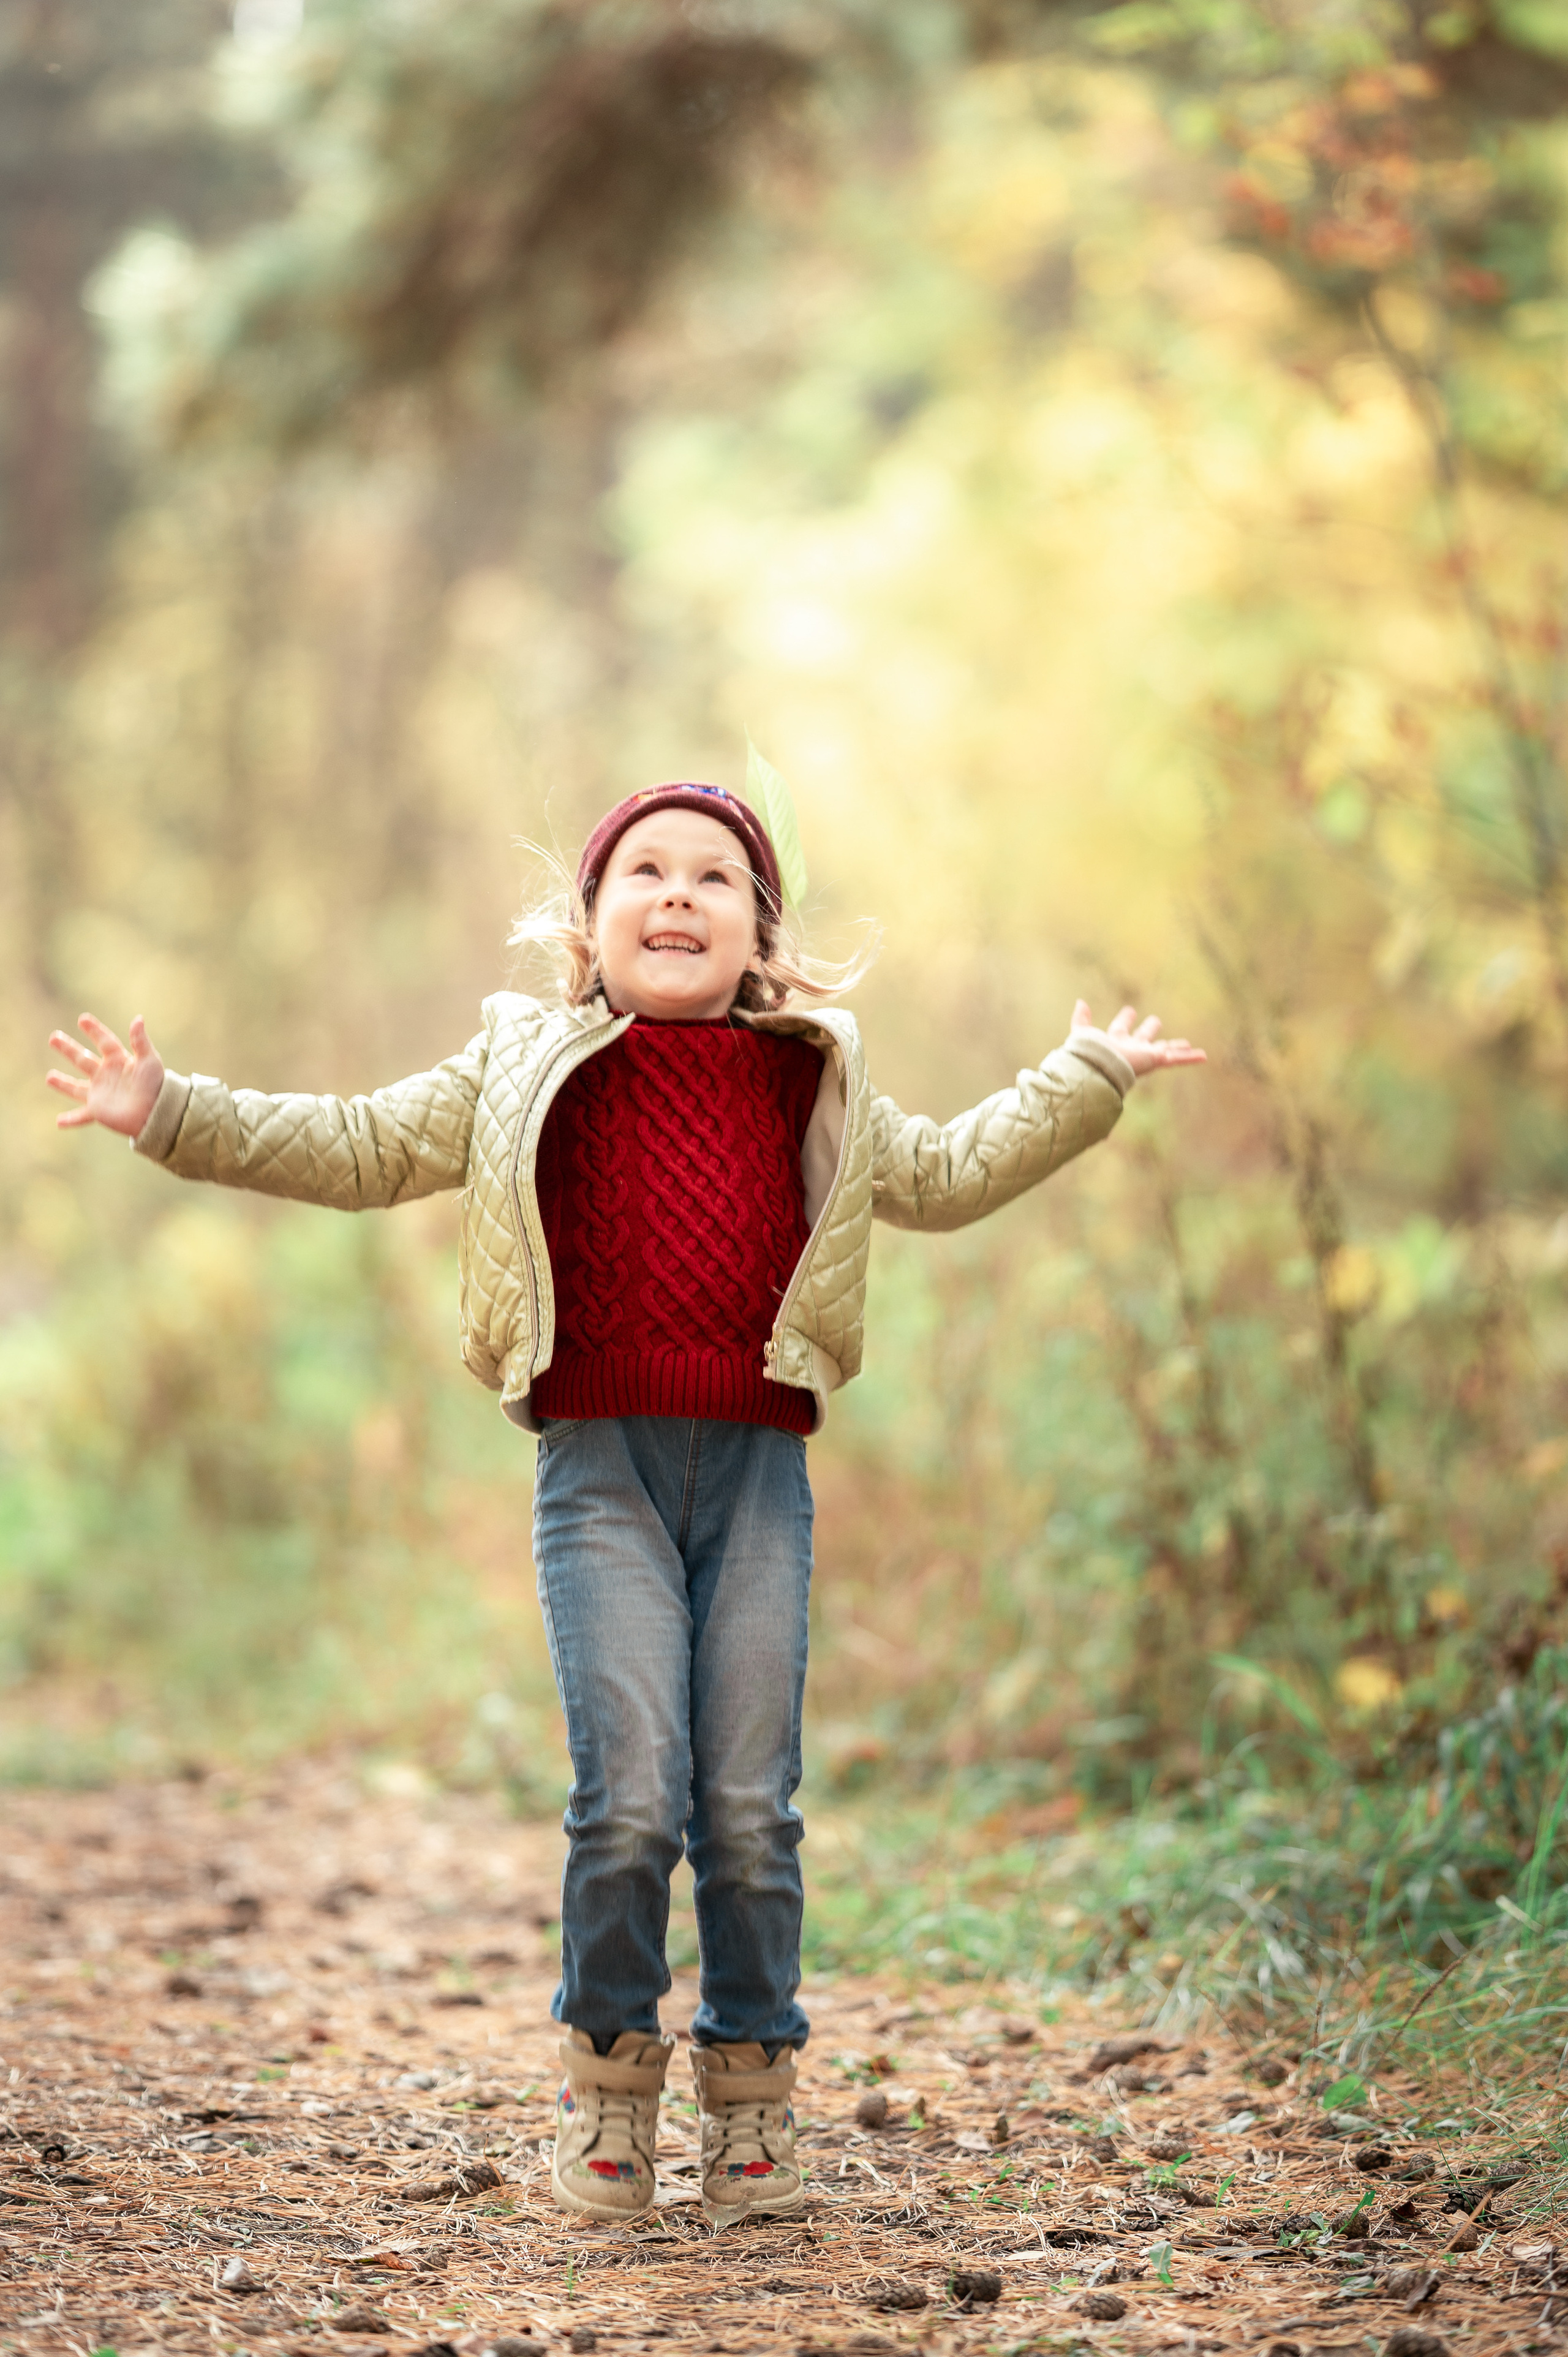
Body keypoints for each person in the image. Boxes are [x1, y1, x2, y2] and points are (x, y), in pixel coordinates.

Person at [45, 778, 1204, 2225]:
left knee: (745, 1804)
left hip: (760, 1476)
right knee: (633, 1798)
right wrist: (172, 1112)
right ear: (587, 931)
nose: (675, 894)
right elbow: (351, 1144)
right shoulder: (518, 1060)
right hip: (596, 1467)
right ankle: (608, 2086)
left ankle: (752, 2105)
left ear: (758, 937)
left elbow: (952, 1175)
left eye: (713, 877)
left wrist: (1080, 1074)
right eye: (642, 872)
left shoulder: (812, 1079)